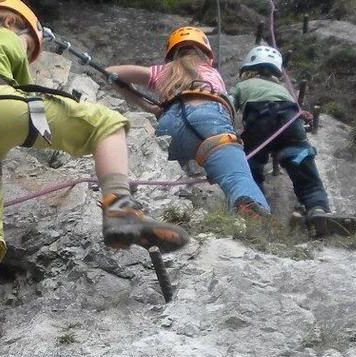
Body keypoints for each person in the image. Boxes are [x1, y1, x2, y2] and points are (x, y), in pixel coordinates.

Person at [0, 0, 191, 354]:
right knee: (107, 124)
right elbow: (22, 92)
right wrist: (25, 40)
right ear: (11, 21)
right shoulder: (6, 34)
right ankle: (120, 208)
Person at [107, 27, 271, 222]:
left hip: (168, 124)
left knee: (162, 181)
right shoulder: (212, 72)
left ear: (171, 54)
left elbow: (111, 73)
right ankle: (252, 217)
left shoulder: (165, 70)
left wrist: (147, 106)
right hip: (210, 119)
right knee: (236, 178)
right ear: (207, 56)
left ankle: (153, 217)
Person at [231, 44, 349, 237]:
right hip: (291, 124)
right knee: (307, 175)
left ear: (248, 69)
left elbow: (228, 104)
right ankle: (318, 210)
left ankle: (257, 210)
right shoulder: (282, 89)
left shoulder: (243, 86)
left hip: (259, 125)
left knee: (250, 168)